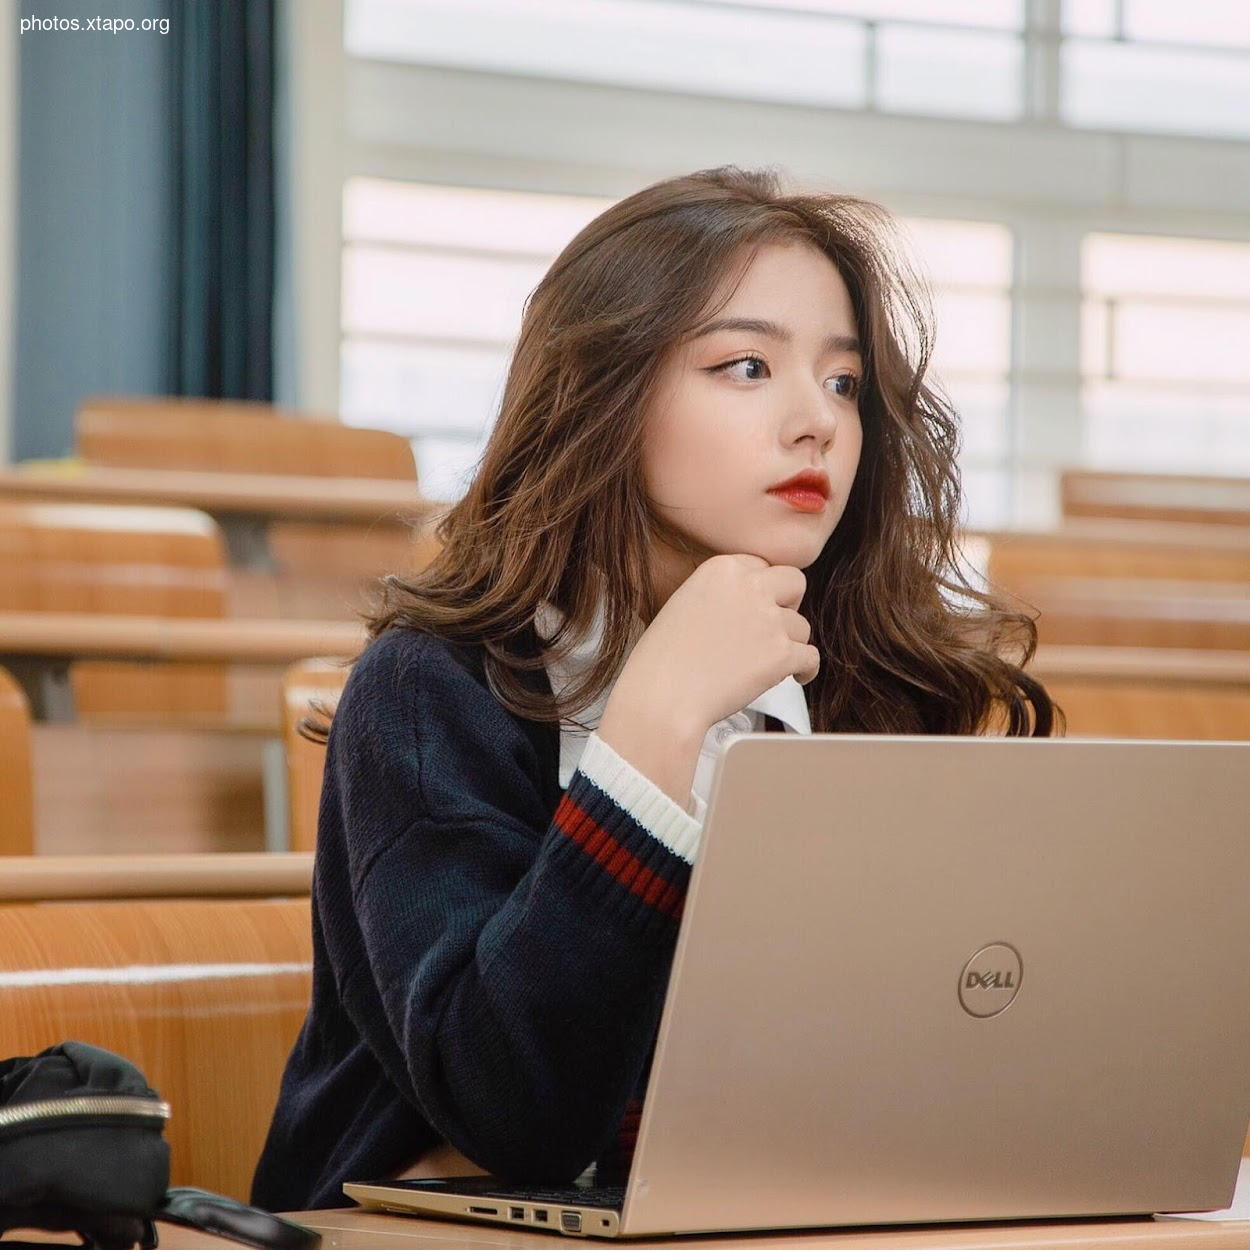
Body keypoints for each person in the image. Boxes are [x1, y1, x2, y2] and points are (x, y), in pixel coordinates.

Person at [251, 165, 1058, 1211]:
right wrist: (654, 723)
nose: (816, 419)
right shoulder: (429, 688)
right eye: (744, 366)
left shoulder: (867, 686)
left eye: (843, 382)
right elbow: (517, 1110)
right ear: (604, 393)